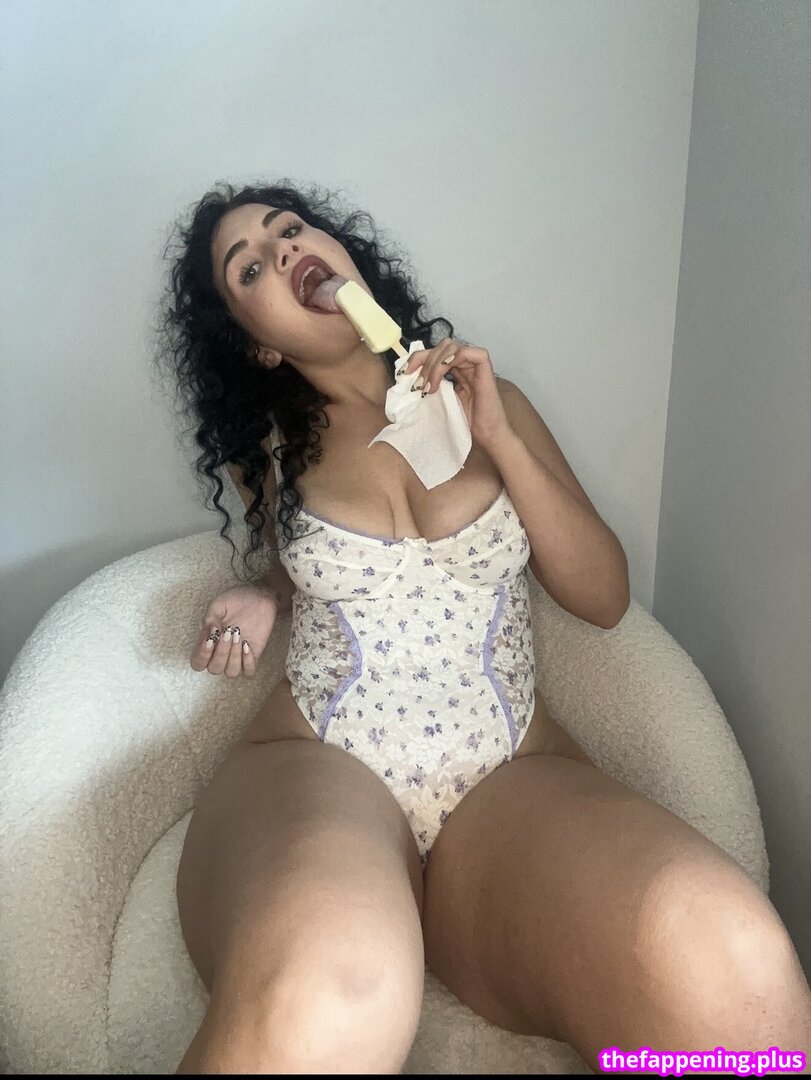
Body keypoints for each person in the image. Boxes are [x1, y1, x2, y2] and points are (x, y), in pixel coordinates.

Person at [154, 181, 811, 1074]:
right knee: (331, 983)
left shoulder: (492, 400)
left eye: (290, 230)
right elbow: (301, 557)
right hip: (318, 761)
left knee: (729, 958)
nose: (283, 251)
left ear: (343, 255)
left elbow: (602, 599)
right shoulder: (266, 450)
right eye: (249, 269)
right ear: (258, 344)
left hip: (507, 781)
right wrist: (267, 592)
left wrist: (496, 434)